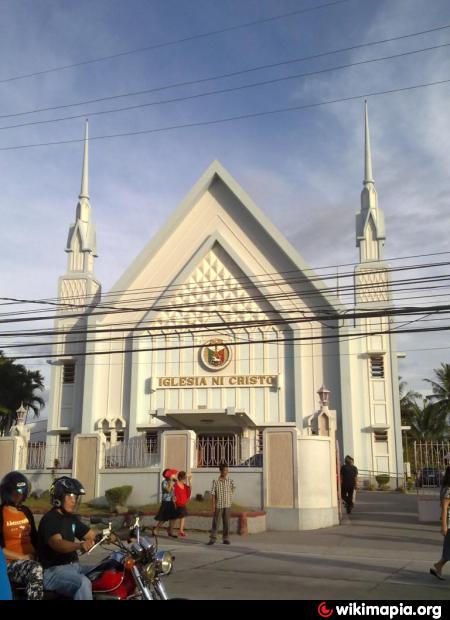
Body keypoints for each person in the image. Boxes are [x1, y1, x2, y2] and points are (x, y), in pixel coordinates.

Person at [37, 476, 96, 600]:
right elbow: (57, 543)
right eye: (69, 496)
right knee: (82, 583)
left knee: (107, 570)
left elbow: (91, 535)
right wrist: (80, 545)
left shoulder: (70, 518)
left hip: (74, 567)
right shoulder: (50, 519)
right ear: (58, 497)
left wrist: (120, 534)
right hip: (53, 571)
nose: (73, 500)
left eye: (75, 497)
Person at [0, 471, 44, 600]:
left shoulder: (26, 511)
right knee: (35, 569)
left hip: (30, 560)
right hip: (10, 564)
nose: (20, 495)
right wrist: (22, 557)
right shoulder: (1, 513)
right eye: (17, 492)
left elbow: (35, 538)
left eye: (22, 492)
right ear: (8, 493)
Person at [207, 463, 235, 546]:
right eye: (224, 470)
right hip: (219, 505)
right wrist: (213, 505)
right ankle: (213, 538)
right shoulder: (215, 482)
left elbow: (233, 489)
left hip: (227, 505)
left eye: (227, 470)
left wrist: (230, 495)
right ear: (221, 471)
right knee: (216, 522)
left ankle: (226, 538)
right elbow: (212, 494)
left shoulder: (230, 481)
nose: (226, 472)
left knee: (226, 523)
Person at [430, 466, 450, 580]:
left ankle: (438, 566)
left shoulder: (446, 487)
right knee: (448, 548)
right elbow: (444, 508)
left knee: (448, 548)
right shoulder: (448, 489)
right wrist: (444, 526)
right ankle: (438, 566)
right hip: (449, 523)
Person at [154, 469, 180, 538]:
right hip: (165, 501)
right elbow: (168, 490)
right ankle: (156, 529)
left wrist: (174, 497)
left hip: (171, 501)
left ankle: (170, 531)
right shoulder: (164, 482)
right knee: (164, 518)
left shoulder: (173, 481)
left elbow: (173, 491)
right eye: (171, 474)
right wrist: (170, 483)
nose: (173, 475)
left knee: (174, 517)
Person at [174, 471, 192, 537]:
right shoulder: (176, 484)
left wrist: (190, 481)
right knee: (180, 516)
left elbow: (190, 489)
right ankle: (178, 530)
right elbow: (174, 493)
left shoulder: (184, 485)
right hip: (178, 503)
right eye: (184, 477)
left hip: (183, 502)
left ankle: (180, 530)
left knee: (181, 516)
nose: (185, 479)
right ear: (181, 477)